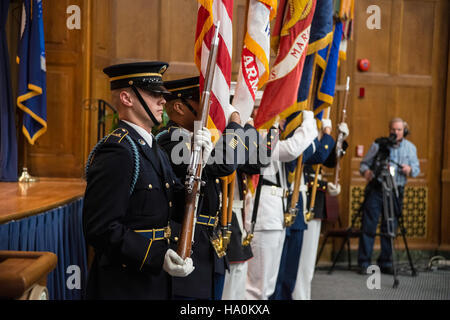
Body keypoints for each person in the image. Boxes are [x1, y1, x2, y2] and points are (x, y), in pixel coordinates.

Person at [82, 62, 194, 300]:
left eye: (162, 95)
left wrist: (200, 164)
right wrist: (156, 256)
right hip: (125, 285)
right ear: (126, 98)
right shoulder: (119, 150)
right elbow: (101, 229)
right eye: (155, 94)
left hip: (152, 280)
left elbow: (175, 201)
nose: (163, 101)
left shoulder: (153, 147)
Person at [157, 76, 246, 300]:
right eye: (202, 102)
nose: (210, 110)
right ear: (178, 106)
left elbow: (251, 159)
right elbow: (226, 162)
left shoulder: (201, 139)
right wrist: (234, 122)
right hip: (188, 244)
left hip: (209, 244)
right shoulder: (170, 141)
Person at [270, 118, 348, 300]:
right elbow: (316, 155)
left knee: (302, 266)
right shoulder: (297, 131)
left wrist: (339, 142)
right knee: (284, 269)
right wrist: (327, 133)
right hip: (293, 198)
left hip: (305, 199)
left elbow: (328, 161)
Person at [245, 110, 318, 300]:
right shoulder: (258, 135)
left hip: (275, 214)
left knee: (268, 286)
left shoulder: (270, 136)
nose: (284, 119)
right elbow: (292, 149)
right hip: (263, 214)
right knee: (256, 288)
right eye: (279, 112)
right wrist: (309, 122)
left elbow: (299, 150)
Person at [358, 117, 420, 274]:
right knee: (369, 226)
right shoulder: (379, 145)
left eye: (399, 130)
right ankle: (364, 262)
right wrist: (367, 172)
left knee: (390, 227)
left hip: (395, 191)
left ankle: (386, 262)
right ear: (389, 130)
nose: (395, 132)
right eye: (393, 129)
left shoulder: (410, 148)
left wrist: (410, 170)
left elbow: (417, 169)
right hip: (376, 190)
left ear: (404, 131)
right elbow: (364, 164)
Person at [222, 118, 273, 300]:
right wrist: (247, 128)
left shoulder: (235, 137)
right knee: (229, 286)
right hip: (224, 215)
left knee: (238, 284)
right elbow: (230, 157)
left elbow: (260, 161)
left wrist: (272, 130)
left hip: (238, 215)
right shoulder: (221, 133)